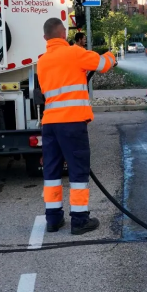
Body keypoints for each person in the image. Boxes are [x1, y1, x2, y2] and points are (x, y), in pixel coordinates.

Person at [36, 18, 117, 235]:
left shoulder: (42, 61)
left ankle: (53, 219)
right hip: (71, 123)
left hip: (50, 124)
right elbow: (102, 64)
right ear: (64, 34)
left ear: (45, 38)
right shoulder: (74, 52)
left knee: (52, 172)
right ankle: (80, 220)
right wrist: (111, 55)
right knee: (78, 171)